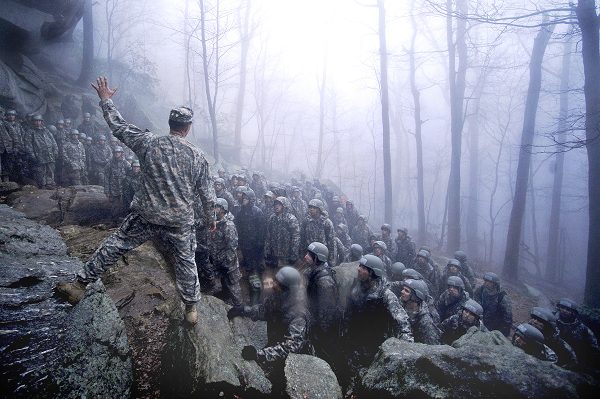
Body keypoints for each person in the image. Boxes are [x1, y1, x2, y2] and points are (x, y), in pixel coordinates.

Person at [56, 76, 216, 326]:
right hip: (179, 221)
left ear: (171, 123)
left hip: (147, 215)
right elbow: (207, 194)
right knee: (186, 261)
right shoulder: (197, 157)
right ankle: (191, 309)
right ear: (187, 127)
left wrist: (106, 100)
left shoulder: (148, 143)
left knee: (116, 244)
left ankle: (79, 284)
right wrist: (211, 219)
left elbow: (118, 127)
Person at [227, 266, 309, 389]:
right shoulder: (279, 296)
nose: (273, 284)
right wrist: (244, 310)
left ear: (287, 289)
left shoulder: (298, 314)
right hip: (274, 345)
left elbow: (291, 347)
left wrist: (260, 354)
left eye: (277, 283)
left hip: (292, 362)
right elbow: (264, 310)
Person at [342, 255, 413, 391]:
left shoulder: (385, 295)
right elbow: (348, 315)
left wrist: (405, 349)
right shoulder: (355, 288)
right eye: (360, 266)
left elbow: (402, 322)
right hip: (353, 348)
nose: (359, 269)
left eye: (364, 268)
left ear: (373, 273)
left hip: (374, 352)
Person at [303, 242, 340, 368]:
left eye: (309, 255)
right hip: (314, 320)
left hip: (323, 330)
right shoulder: (312, 271)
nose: (305, 256)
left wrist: (318, 333)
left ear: (317, 258)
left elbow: (327, 315)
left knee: (325, 356)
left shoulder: (325, 282)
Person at [205, 198, 242, 306]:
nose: (213, 209)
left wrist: (227, 262)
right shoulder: (216, 223)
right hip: (219, 260)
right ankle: (226, 299)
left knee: (233, 284)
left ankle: (239, 307)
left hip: (228, 263)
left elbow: (232, 246)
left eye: (216, 207)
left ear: (223, 209)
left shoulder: (228, 226)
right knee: (223, 282)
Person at [554, 298, 599, 372]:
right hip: (554, 350)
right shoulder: (552, 318)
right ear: (559, 307)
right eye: (562, 307)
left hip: (575, 358)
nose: (564, 311)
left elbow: (594, 346)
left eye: (568, 309)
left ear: (573, 312)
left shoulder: (583, 328)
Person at [398, 279, 441, 344]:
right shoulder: (398, 304)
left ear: (415, 296)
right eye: (403, 289)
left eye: (406, 291)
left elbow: (434, 345)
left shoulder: (426, 322)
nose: (402, 291)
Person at [264, 196, 300, 269]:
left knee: (286, 276)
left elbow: (296, 237)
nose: (276, 206)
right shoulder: (272, 218)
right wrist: (267, 250)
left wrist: (294, 254)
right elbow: (268, 236)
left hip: (287, 255)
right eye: (275, 204)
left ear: (284, 206)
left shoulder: (291, 219)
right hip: (274, 253)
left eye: (279, 204)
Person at [473, 272, 513, 336]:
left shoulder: (502, 296)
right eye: (485, 281)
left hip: (495, 324)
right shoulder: (481, 289)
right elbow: (475, 300)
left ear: (495, 284)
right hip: (480, 319)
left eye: (489, 282)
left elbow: (507, 316)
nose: (486, 283)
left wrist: (503, 333)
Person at [24, 114, 58, 188]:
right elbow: (28, 145)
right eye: (36, 121)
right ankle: (42, 185)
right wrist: (33, 156)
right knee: (40, 172)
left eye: (39, 121)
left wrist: (55, 151)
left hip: (49, 155)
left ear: (42, 122)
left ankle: (50, 184)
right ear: (33, 122)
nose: (38, 122)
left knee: (50, 170)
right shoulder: (30, 132)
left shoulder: (46, 131)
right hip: (39, 156)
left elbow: (53, 141)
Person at [300, 199, 336, 265]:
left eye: (314, 208)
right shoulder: (306, 221)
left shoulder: (327, 223)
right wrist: (302, 254)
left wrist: (331, 260)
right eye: (310, 207)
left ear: (319, 209)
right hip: (309, 254)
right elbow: (302, 238)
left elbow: (331, 243)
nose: (311, 209)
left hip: (321, 256)